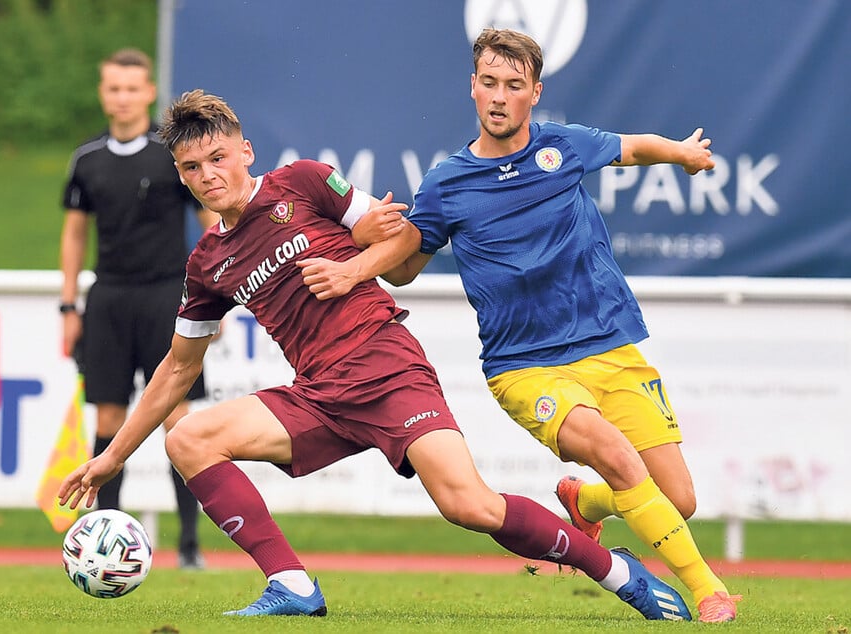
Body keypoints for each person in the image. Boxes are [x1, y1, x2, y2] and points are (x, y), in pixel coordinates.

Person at [58, 89, 692, 621]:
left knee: (470, 506)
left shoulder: (303, 183)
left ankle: (614, 572)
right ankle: (294, 587)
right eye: (192, 169)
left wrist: (365, 247)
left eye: (218, 157)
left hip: (387, 368)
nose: (209, 176)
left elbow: (387, 233)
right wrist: (110, 458)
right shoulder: (206, 264)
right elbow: (177, 368)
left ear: (244, 151)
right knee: (190, 438)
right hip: (319, 394)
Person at [301, 28, 741, 623]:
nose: (499, 96)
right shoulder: (447, 181)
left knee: (678, 501)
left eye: (513, 85)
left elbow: (632, 148)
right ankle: (709, 590)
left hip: (610, 345)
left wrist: (683, 153)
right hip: (526, 367)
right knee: (612, 450)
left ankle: (582, 500)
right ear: (473, 88)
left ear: (535, 91)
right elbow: (405, 266)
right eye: (489, 83)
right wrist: (357, 256)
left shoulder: (563, 146)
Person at [58, 48, 218, 569]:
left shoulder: (173, 154)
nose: (123, 98)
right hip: (107, 298)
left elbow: (211, 222)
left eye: (132, 88)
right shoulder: (87, 160)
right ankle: (101, 542)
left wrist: (214, 296)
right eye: (113, 89)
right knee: (107, 417)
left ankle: (190, 547)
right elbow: (75, 232)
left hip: (167, 297)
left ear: (149, 93)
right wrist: (68, 305)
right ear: (103, 94)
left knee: (179, 419)